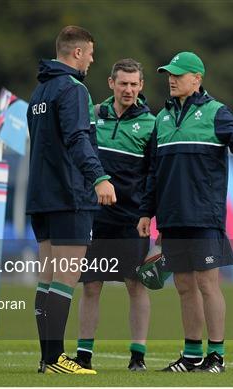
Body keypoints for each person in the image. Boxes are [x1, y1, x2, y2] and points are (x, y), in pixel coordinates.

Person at [137, 52, 233, 373]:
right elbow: (154, 172)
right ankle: (192, 355)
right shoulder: (161, 119)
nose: (171, 79)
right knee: (183, 286)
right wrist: (146, 213)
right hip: (171, 218)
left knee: (208, 285)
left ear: (197, 79)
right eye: (169, 74)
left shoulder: (216, 113)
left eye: (178, 75)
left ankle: (217, 356)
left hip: (204, 217)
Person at [26, 25, 117, 375]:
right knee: (65, 277)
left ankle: (46, 359)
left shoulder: (40, 91)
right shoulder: (73, 89)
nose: (93, 59)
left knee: (47, 277)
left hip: (41, 197)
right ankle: (55, 359)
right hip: (69, 196)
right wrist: (100, 177)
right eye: (91, 53)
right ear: (77, 52)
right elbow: (79, 138)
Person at [75, 59, 156, 372]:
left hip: (132, 219)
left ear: (141, 86)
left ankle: (138, 357)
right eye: (123, 83)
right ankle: (83, 355)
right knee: (91, 285)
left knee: (136, 285)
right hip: (95, 218)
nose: (129, 89)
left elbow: (153, 175)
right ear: (111, 83)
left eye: (135, 84)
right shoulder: (93, 116)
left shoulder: (152, 124)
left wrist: (148, 213)